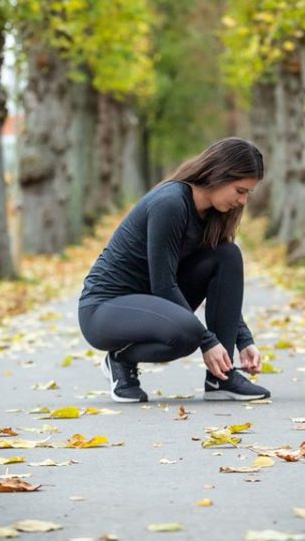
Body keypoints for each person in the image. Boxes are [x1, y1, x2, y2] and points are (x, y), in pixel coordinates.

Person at [78, 137, 270, 403]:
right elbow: (163, 284)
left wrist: (244, 341)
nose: (243, 201)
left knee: (227, 255)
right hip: (105, 309)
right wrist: (207, 341)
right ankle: (120, 360)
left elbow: (221, 285)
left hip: (154, 304)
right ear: (219, 175)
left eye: (248, 192)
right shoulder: (170, 202)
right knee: (187, 334)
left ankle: (221, 378)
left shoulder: (212, 215)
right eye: (240, 190)